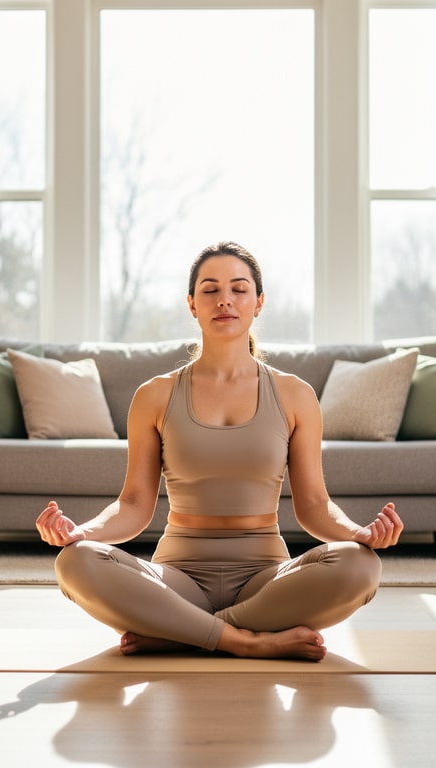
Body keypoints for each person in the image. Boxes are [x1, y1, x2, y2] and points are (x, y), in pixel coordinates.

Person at [35, 241, 404, 661]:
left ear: (258, 302)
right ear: (192, 305)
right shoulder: (154, 395)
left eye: (239, 289)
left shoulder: (295, 395)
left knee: (362, 565)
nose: (224, 299)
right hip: (176, 577)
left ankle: (177, 631)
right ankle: (248, 640)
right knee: (74, 562)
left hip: (266, 579)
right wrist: (81, 533)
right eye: (209, 290)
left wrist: (359, 534)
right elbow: (134, 505)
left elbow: (315, 505)